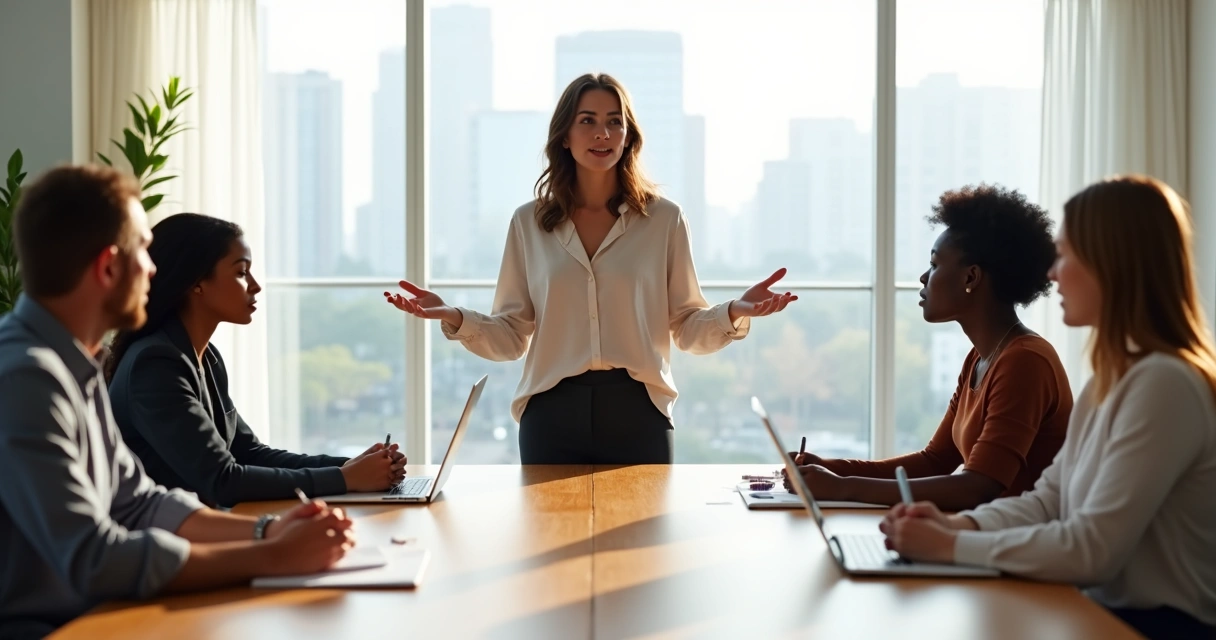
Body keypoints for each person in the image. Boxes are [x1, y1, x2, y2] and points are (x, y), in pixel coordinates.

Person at [0, 165, 356, 639]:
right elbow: (93, 557)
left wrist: (271, 530)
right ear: (108, 266)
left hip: (101, 614)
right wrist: (273, 555)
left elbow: (140, 504)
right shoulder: (26, 377)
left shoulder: (73, 365)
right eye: (143, 251)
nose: (153, 268)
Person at [385, 73, 795, 464]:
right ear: (565, 136)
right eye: (588, 121)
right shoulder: (528, 222)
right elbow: (512, 337)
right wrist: (456, 317)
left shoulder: (664, 220)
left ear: (627, 137)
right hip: (550, 414)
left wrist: (735, 312)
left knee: (645, 537)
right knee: (547, 536)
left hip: (639, 413)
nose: (603, 133)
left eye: (614, 122)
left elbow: (686, 328)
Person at [881, 176, 1216, 640]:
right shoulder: (1112, 380)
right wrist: (956, 524)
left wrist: (953, 544)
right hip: (1099, 614)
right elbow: (1049, 501)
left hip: (1155, 627)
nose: (1053, 273)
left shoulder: (1165, 385)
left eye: (1066, 255)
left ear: (1111, 263)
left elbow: (1092, 548)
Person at [785, 185, 1072, 511]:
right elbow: (934, 461)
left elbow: (977, 487)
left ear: (971, 277)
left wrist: (842, 488)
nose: (924, 277)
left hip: (1014, 549)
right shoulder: (980, 358)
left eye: (935, 264)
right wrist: (828, 469)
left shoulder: (1024, 363)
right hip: (984, 537)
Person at [105, 213, 405, 508]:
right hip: (168, 545)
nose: (255, 285)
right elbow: (223, 480)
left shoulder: (205, 357)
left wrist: (357, 466)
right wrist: (345, 478)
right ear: (196, 282)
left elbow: (249, 453)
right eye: (240, 272)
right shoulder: (155, 364)